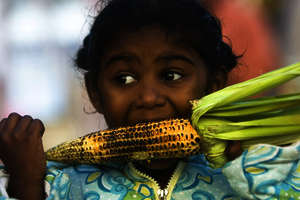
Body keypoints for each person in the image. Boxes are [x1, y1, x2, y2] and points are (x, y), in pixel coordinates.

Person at [0, 0, 299, 199]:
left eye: (171, 76)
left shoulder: (258, 170)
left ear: (214, 86)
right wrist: (26, 184)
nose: (147, 97)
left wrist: (242, 168)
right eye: (124, 79)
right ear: (95, 93)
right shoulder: (61, 186)